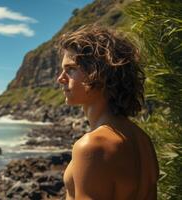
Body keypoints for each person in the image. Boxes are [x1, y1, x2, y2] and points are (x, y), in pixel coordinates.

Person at [56, 25, 159, 200]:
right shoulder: (142, 140)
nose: (60, 79)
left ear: (98, 73)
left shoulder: (93, 146)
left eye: (71, 69)